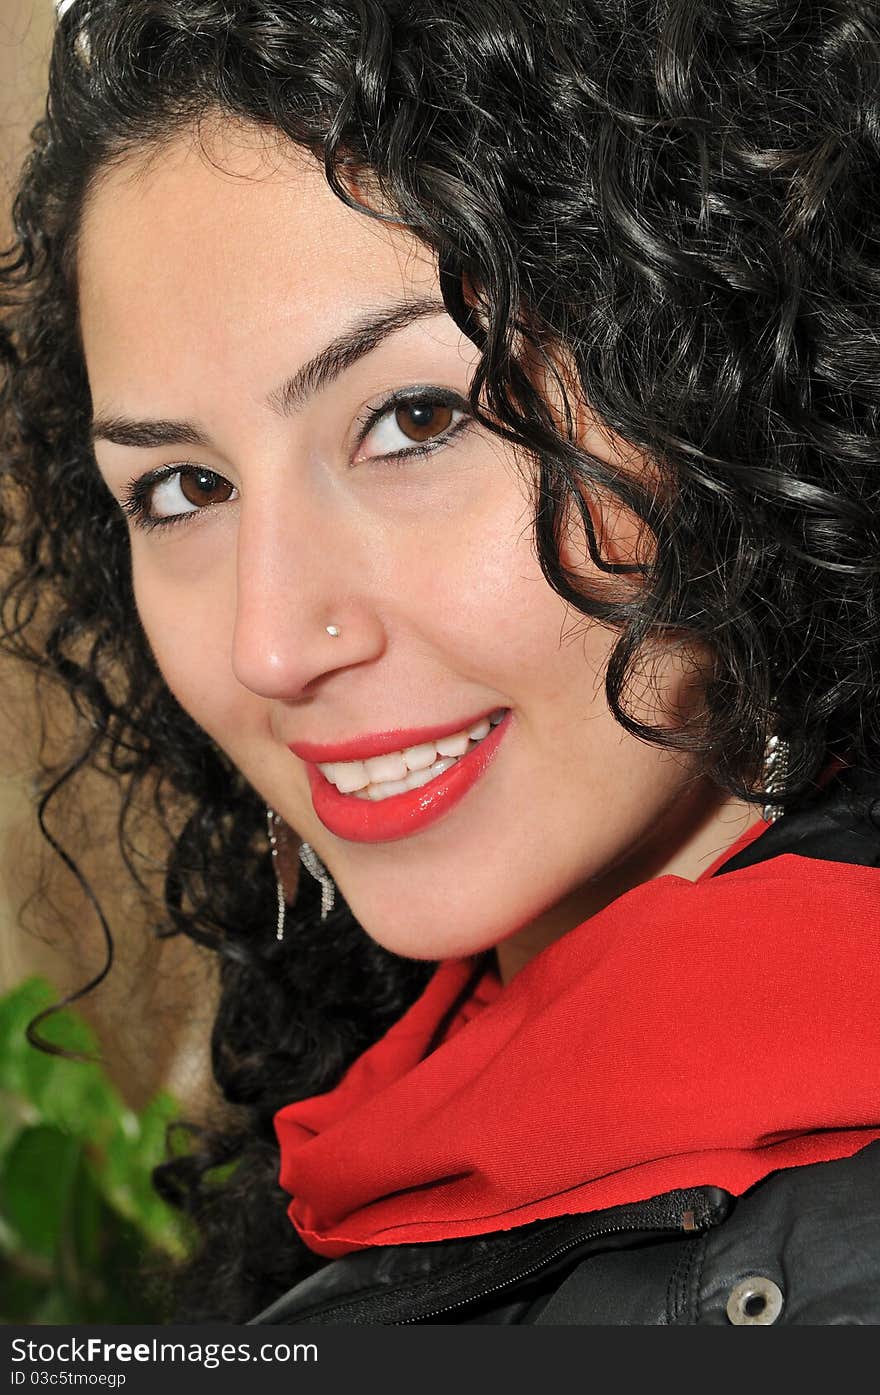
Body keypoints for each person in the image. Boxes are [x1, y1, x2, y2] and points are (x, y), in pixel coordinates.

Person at [1, 0, 878, 1326]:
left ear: (722, 378)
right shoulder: (395, 1118)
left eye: (416, 419)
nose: (272, 644)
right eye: (181, 488)